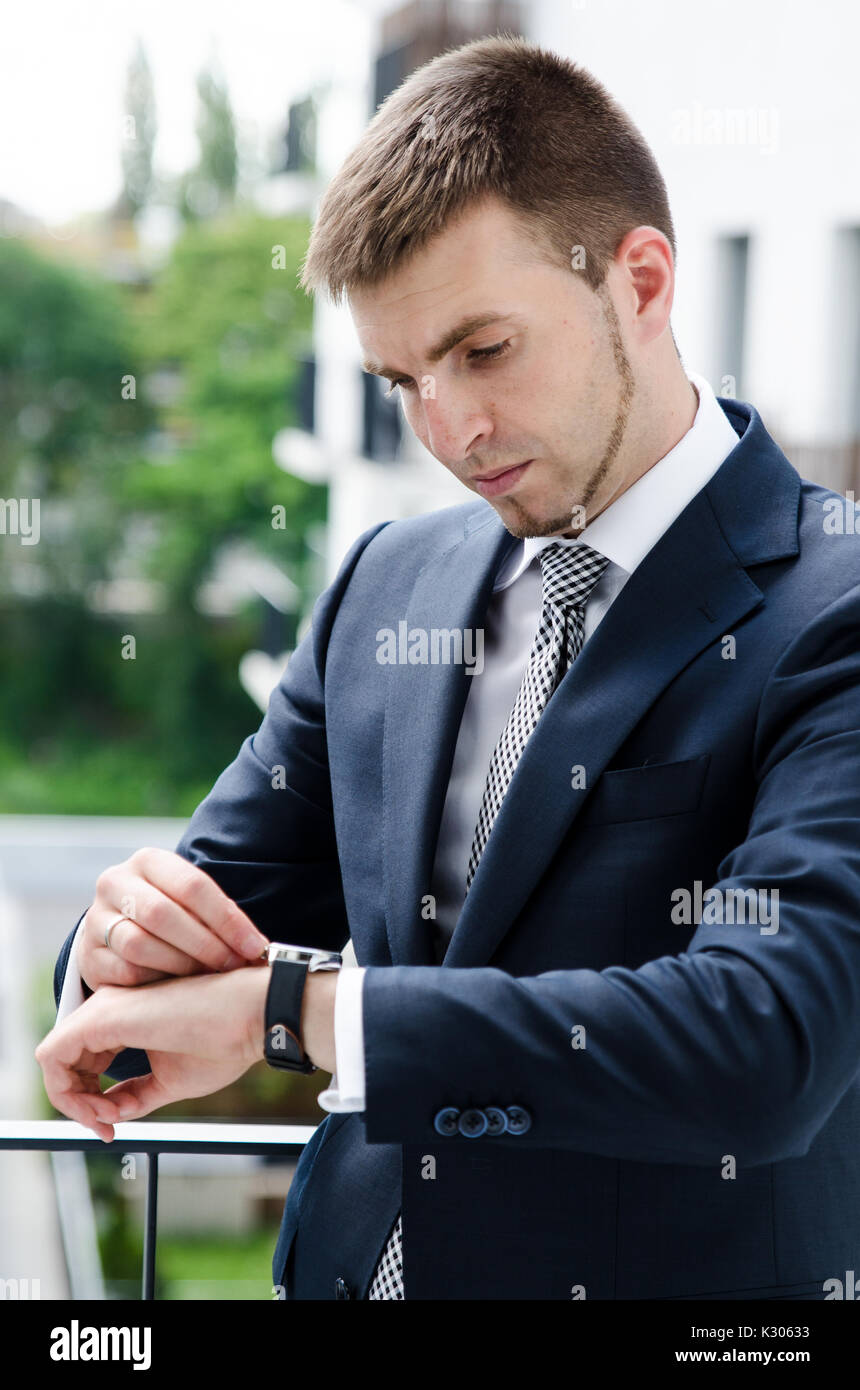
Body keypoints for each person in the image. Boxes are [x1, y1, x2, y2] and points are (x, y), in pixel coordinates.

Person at [39, 34, 860, 1301]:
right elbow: (213, 916)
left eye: (482, 352)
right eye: (400, 379)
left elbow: (765, 1041)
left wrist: (297, 1016)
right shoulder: (386, 584)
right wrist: (118, 947)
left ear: (640, 281)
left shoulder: (832, 605)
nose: (448, 432)